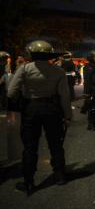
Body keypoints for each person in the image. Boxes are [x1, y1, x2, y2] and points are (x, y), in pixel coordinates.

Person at [7, 40, 72, 196]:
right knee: (56, 144)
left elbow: (11, 93)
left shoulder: (24, 69)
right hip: (52, 110)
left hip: (31, 109)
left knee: (30, 146)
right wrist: (68, 115)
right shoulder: (58, 71)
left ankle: (29, 182)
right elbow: (64, 96)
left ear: (32, 53)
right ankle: (60, 175)